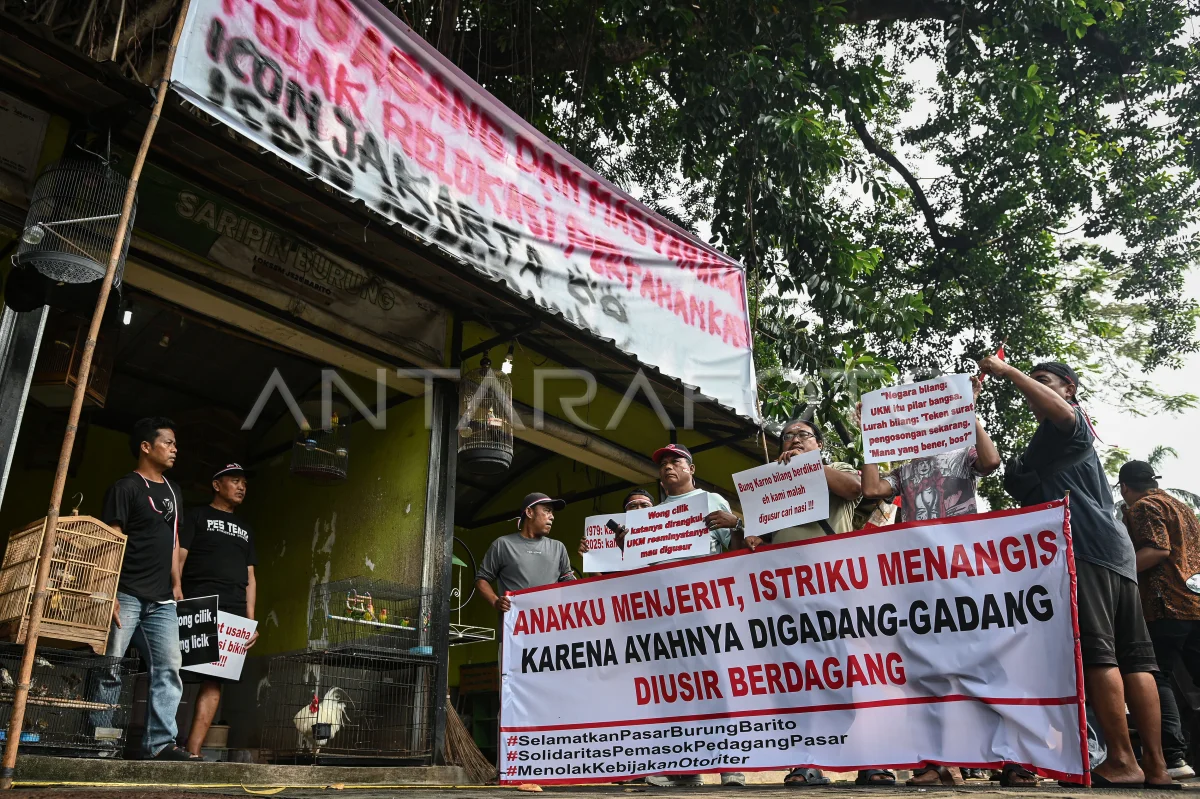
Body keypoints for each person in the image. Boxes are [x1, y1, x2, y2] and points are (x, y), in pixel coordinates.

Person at [980, 357, 1173, 788]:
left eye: (1043, 380)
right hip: (1117, 553)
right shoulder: (1046, 444)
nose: (1033, 387)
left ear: (1069, 389)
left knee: (1100, 655)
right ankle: (1157, 767)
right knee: (1137, 659)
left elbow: (1062, 414)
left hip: (1084, 548)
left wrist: (1010, 373)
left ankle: (1122, 760)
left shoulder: (1071, 424)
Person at [859, 376, 1016, 786]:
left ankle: (1013, 759)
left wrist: (968, 409)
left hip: (965, 571)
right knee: (925, 665)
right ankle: (935, 762)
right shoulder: (905, 466)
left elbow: (991, 461)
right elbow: (872, 488)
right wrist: (870, 435)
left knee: (983, 660)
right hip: (921, 577)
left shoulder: (961, 452)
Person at [759, 417, 887, 787]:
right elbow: (762, 536)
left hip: (836, 589)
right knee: (801, 679)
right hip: (787, 597)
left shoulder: (836, 468)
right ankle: (807, 760)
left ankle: (871, 759)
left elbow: (854, 489)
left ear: (819, 444)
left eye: (803, 435)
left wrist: (806, 464)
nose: (793, 440)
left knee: (854, 673)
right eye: (787, 437)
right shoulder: (770, 481)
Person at [643, 443, 746, 788]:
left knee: (715, 682)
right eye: (663, 463)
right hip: (665, 614)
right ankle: (686, 768)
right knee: (676, 688)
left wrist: (736, 526)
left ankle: (731, 764)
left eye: (676, 461)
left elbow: (734, 553)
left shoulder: (711, 500)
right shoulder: (653, 516)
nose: (668, 467)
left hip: (706, 608)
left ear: (692, 469)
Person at [96, 417, 197, 761]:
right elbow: (111, 540)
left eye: (175, 443)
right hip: (125, 592)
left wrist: (177, 584)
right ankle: (101, 743)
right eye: (168, 442)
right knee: (110, 666)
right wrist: (108, 591)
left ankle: (160, 745)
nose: (174, 449)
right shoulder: (126, 487)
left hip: (162, 599)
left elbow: (174, 540)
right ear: (145, 446)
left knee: (169, 668)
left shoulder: (173, 490)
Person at [1119, 460, 1200, 781]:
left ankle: (1172, 757)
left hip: (1165, 605)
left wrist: (1118, 573)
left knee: (1155, 676)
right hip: (1195, 603)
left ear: (1125, 487)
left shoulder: (1143, 507)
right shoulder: (1182, 507)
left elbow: (1157, 550)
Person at [177, 463, 260, 758]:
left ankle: (193, 752)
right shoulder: (197, 515)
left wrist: (251, 620)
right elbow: (179, 557)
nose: (241, 487)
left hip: (233, 609)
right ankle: (163, 745)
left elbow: (250, 577)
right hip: (198, 602)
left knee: (216, 680)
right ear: (216, 485)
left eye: (244, 483)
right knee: (177, 673)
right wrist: (175, 592)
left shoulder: (246, 529)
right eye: (235, 481)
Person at [475, 493, 574, 614]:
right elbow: (481, 580)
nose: (552, 517)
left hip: (550, 623)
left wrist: (589, 556)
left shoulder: (558, 547)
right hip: (515, 624)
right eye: (547, 510)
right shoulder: (503, 544)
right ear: (529, 512)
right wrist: (495, 601)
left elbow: (570, 585)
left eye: (552, 512)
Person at [577, 488, 656, 567]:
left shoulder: (661, 539)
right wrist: (589, 560)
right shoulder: (613, 541)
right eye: (633, 506)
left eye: (645, 506)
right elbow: (606, 575)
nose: (639, 509)